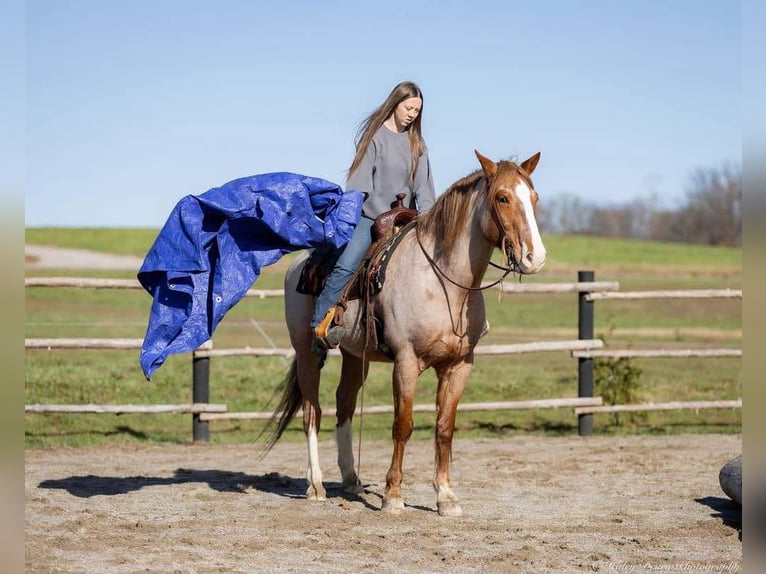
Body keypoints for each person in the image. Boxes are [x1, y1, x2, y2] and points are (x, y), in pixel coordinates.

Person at [311, 80, 436, 349]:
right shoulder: (375, 138)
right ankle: (319, 325)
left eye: (417, 110)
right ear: (395, 104)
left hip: (406, 220)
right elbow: (359, 185)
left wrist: (428, 220)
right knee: (347, 262)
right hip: (371, 219)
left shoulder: (418, 144)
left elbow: (424, 189)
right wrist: (355, 215)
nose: (413, 114)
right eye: (409, 108)